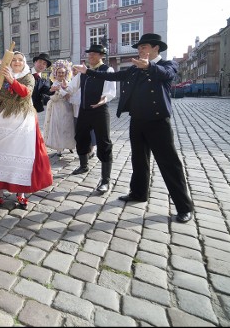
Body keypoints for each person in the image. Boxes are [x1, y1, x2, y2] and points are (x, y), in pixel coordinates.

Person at [74, 33, 194, 223]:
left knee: (169, 164)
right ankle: (138, 193)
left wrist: (150, 66)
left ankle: (184, 206)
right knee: (139, 159)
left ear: (156, 48)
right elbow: (114, 75)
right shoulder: (135, 68)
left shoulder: (167, 65)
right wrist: (87, 72)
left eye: (144, 47)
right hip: (137, 120)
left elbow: (168, 75)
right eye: (139, 48)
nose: (140, 50)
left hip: (158, 122)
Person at [0, 51, 54, 209]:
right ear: (10, 63)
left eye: (20, 60)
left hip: (23, 122)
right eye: (14, 60)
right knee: (1, 157)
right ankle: (0, 191)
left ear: (24, 63)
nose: (17, 62)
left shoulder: (28, 77)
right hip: (2, 122)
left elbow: (25, 94)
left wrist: (10, 79)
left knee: (21, 155)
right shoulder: (0, 77)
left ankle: (21, 192)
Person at [63, 43, 116, 193]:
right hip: (85, 110)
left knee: (104, 141)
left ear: (101, 56)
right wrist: (63, 87)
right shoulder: (83, 72)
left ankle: (105, 179)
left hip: (100, 111)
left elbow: (110, 90)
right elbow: (72, 87)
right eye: (89, 54)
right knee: (81, 137)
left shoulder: (107, 69)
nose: (90, 56)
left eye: (94, 54)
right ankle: (83, 165)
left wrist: (103, 99)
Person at [42, 60, 76, 158]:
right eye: (59, 72)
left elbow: (71, 95)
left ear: (66, 73)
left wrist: (66, 92)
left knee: (68, 128)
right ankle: (59, 149)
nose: (61, 74)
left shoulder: (69, 83)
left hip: (68, 108)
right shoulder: (54, 84)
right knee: (58, 128)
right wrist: (56, 92)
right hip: (56, 109)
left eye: (63, 72)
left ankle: (69, 145)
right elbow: (51, 97)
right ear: (55, 74)